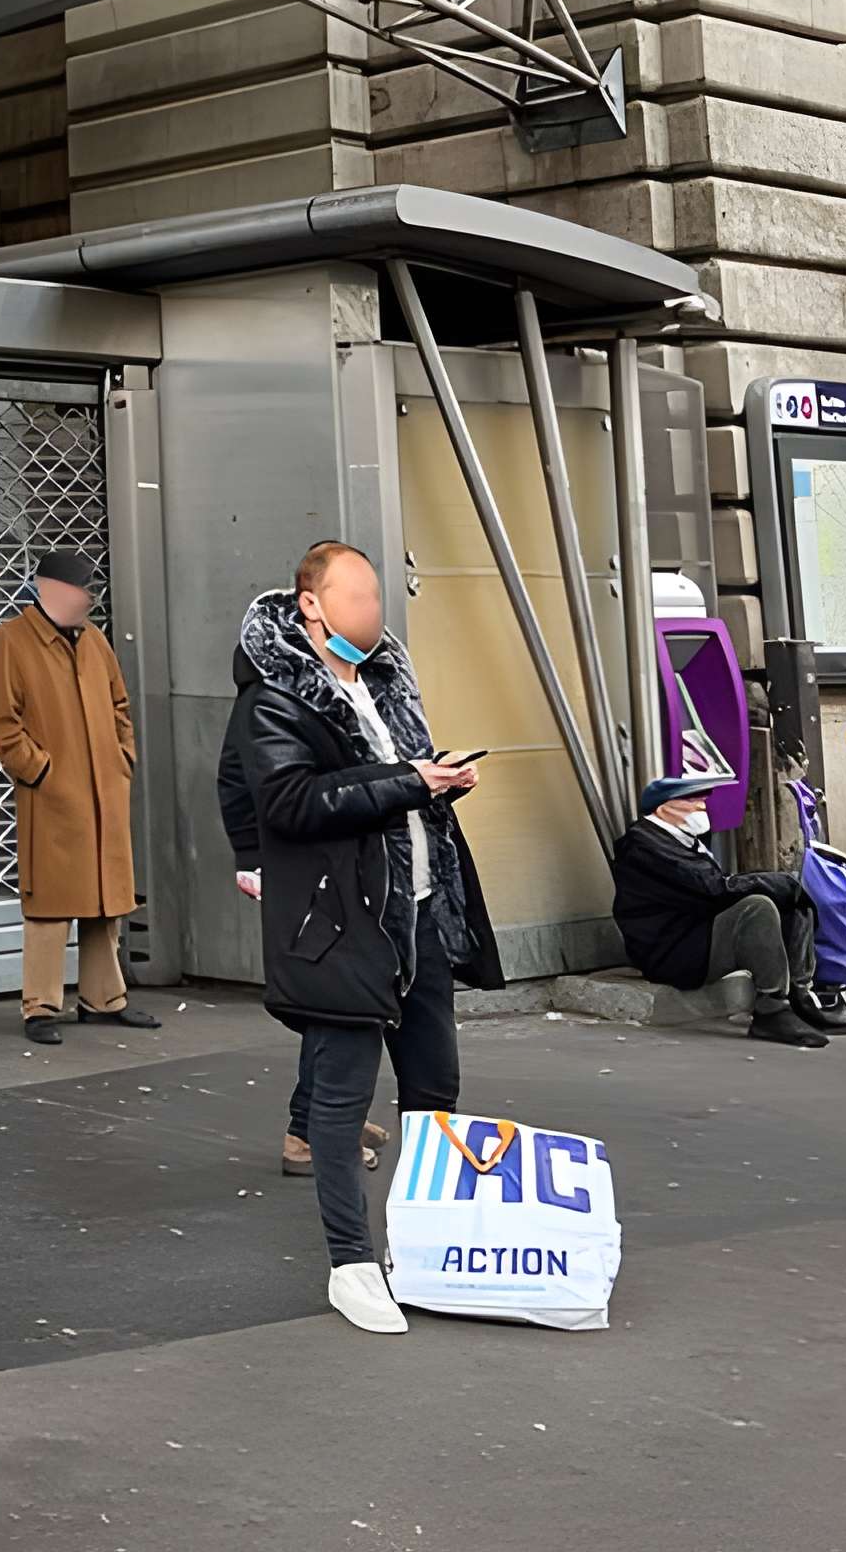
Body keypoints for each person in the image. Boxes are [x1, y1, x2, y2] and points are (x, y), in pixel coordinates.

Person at [230, 541, 501, 1335]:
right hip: (341, 925)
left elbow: (399, 785)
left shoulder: (385, 681)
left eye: (376, 596)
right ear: (310, 605)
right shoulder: (275, 698)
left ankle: (428, 1246)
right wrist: (409, 782)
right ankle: (351, 1262)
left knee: (435, 1087)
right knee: (339, 1101)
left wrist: (440, 778)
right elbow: (290, 801)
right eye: (355, 597)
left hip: (417, 910)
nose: (372, 612)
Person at [0, 548, 154, 1044]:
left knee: (105, 899)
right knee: (50, 904)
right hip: (52, 793)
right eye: (82, 589)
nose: (89, 598)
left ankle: (104, 999)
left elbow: (120, 703)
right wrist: (41, 771)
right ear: (50, 589)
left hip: (103, 792)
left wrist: (122, 761)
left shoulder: (95, 641)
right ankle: (41, 1007)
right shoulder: (12, 641)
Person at [217, 664, 387, 1183]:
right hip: (311, 872)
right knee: (332, 1001)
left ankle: (329, 1119)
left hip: (326, 869)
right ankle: (311, 1131)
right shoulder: (274, 694)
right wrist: (253, 855)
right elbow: (240, 778)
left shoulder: (317, 684)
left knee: (336, 1000)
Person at [610, 768, 846, 1047]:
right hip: (672, 951)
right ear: (665, 809)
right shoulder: (646, 844)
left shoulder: (678, 839)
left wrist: (785, 888)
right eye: (693, 801)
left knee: (791, 899)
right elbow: (713, 889)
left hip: (694, 934)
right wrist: (774, 882)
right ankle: (771, 1010)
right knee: (757, 907)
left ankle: (800, 995)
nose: (702, 807)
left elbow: (711, 888)